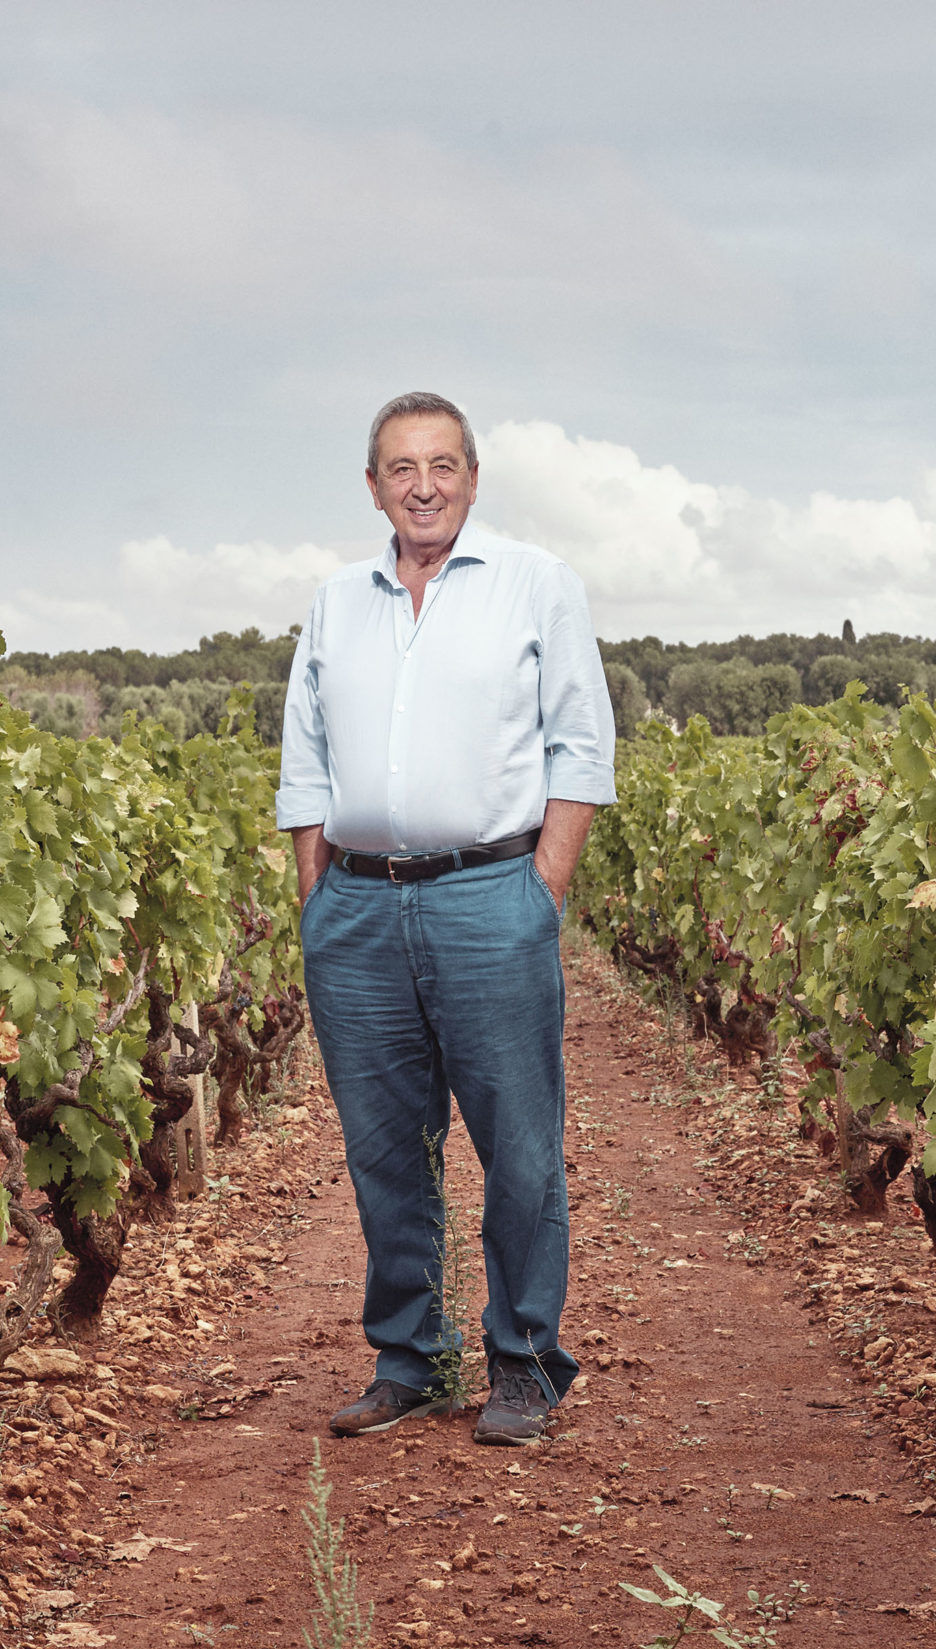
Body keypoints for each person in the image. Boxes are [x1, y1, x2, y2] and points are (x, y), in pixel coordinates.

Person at [276, 391, 616, 1447]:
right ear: (371, 486)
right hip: (359, 908)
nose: (422, 485)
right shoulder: (337, 602)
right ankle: (409, 1362)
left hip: (488, 897)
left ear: (472, 477)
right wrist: (318, 895)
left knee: (517, 1146)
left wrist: (539, 888)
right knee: (384, 1150)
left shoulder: (533, 586)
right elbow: (304, 763)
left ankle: (524, 1363)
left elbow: (581, 745)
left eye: (442, 465)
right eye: (399, 468)